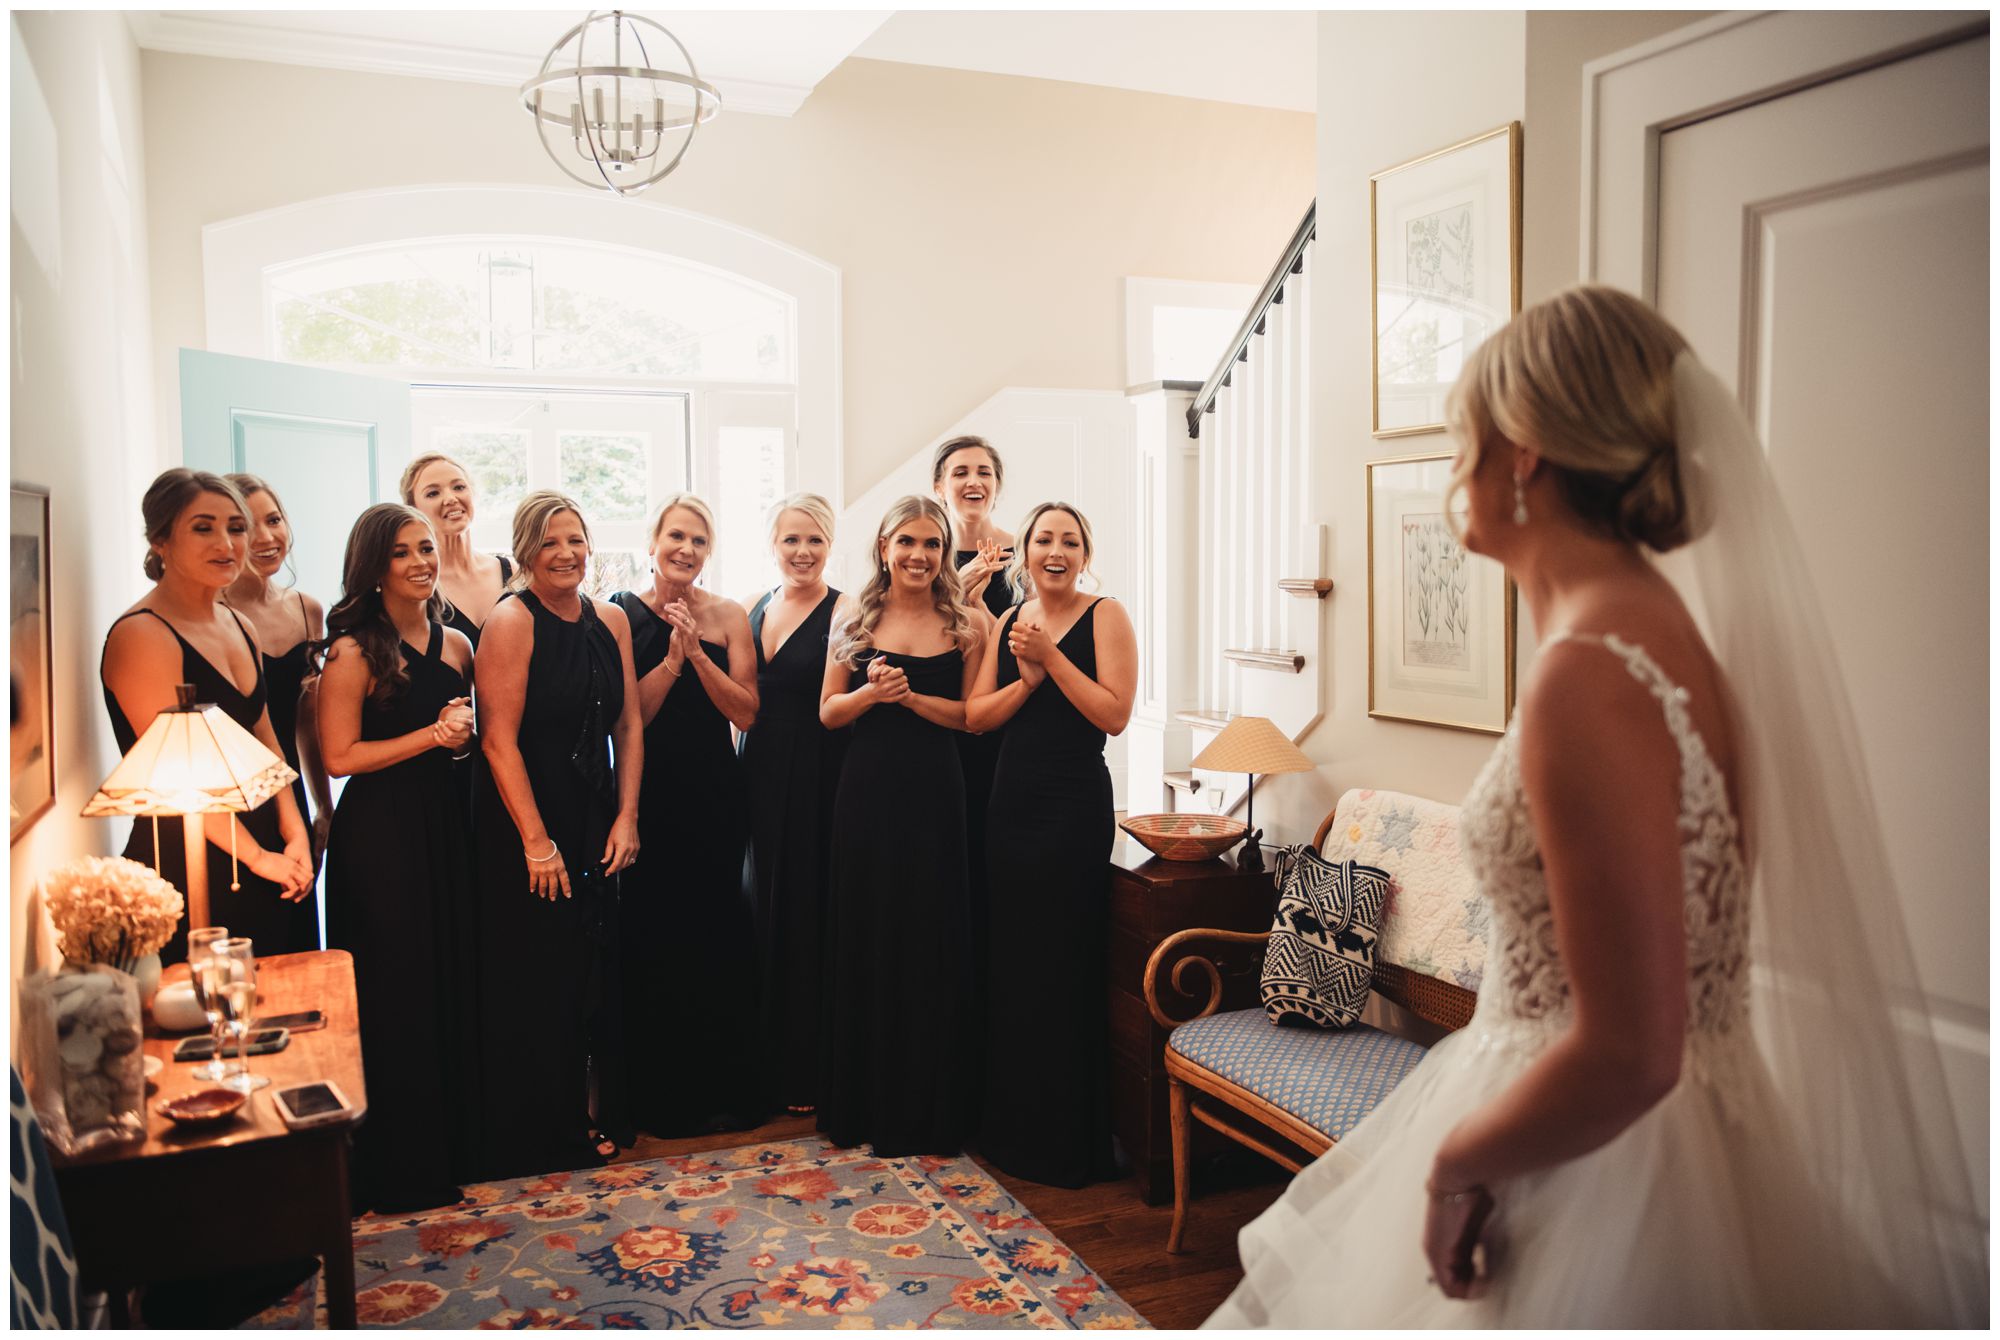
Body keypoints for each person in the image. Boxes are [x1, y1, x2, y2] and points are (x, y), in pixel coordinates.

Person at [1206, 286, 1984, 1327]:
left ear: (1523, 452)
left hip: (1598, 1169)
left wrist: (1454, 1162)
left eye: (1463, 441)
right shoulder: (1659, 638)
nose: (1453, 473)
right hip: (1681, 1133)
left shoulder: (1590, 671)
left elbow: (1629, 1047)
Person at [470, 491, 642, 1178]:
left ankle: (594, 1108)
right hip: (528, 817)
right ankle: (545, 1126)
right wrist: (537, 843)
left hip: (594, 810)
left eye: (575, 539)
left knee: (591, 969)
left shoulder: (612, 619)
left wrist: (627, 814)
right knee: (542, 972)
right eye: (549, 542)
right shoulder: (511, 620)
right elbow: (497, 740)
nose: (566, 553)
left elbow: (628, 724)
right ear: (525, 552)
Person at [966, 502, 1135, 1187]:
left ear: (1084, 554)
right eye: (1044, 540)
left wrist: (1051, 659)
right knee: (1014, 962)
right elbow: (978, 716)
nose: (1055, 551)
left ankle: (1066, 1142)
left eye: (1069, 541)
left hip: (1072, 807)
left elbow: (1114, 715)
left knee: (1064, 960)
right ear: (1026, 551)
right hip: (1011, 803)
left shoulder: (1107, 616)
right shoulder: (1009, 617)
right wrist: (1027, 679)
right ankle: (1012, 1130)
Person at [317, 503, 477, 1213]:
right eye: (403, 552)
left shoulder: (457, 645)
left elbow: (463, 738)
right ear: (374, 566)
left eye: (426, 548)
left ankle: (449, 1146)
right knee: (395, 990)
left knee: (444, 977)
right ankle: (393, 1166)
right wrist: (432, 738)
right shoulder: (353, 652)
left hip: (444, 822)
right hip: (380, 835)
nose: (421, 562)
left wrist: (458, 741)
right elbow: (339, 756)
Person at [817, 495, 983, 1156]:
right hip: (867, 792)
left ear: (944, 552)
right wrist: (871, 694)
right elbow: (829, 712)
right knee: (871, 928)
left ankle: (930, 1107)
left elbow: (970, 717)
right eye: (906, 542)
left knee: (928, 935)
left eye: (931, 544)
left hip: (936, 792)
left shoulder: (966, 621)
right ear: (884, 547)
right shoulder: (853, 615)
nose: (918, 555)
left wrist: (912, 699)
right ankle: (866, 1103)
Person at [99, 469, 315, 963]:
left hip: (271, 850)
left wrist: (294, 830)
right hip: (193, 855)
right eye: (203, 528)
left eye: (236, 528)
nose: (227, 543)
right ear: (160, 540)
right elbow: (178, 774)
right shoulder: (143, 635)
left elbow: (267, 741)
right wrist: (258, 858)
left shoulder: (239, 623)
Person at [611, 494, 768, 1136]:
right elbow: (632, 717)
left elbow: (747, 713)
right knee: (656, 935)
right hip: (648, 794)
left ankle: (724, 1089)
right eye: (676, 536)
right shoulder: (620, 614)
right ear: (652, 542)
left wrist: (699, 654)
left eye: (699, 541)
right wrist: (673, 659)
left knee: (715, 932)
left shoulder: (728, 615)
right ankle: (662, 1097)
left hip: (714, 795)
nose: (686, 549)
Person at [736, 493, 848, 1115]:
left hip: (818, 768)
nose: (803, 552)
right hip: (758, 765)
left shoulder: (846, 608)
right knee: (762, 901)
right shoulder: (756, 604)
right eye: (791, 540)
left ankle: (808, 1067)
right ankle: (765, 1058)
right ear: (773, 545)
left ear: (830, 545)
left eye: (814, 540)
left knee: (807, 905)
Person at [930, 435, 1014, 1108]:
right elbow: (920, 632)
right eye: (960, 471)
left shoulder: (1020, 552)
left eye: (983, 471)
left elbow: (1016, 639)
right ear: (940, 485)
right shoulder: (927, 552)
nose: (972, 480)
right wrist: (959, 591)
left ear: (997, 484)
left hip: (1003, 729)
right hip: (940, 730)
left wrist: (983, 606)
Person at [223, 474, 332, 866]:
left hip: (291, 791)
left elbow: (307, 722)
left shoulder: (307, 610)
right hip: (231, 802)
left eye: (274, 520)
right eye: (247, 527)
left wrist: (323, 806)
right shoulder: (211, 617)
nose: (267, 538)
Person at [400, 453, 513, 648]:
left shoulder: (514, 572)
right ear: (414, 508)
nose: (450, 499)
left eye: (459, 487)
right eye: (433, 493)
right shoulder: (417, 584)